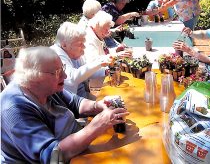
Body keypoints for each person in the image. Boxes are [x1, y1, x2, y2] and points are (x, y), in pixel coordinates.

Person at [0, 46, 129, 163]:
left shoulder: (46, 87)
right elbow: (52, 155)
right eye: (57, 72)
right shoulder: (14, 108)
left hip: (77, 149)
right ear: (34, 76)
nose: (65, 75)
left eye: (63, 69)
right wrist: (98, 125)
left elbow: (76, 103)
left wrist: (98, 106)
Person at [51, 22, 109, 99]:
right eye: (80, 44)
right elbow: (71, 79)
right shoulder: (56, 55)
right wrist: (100, 62)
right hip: (71, 104)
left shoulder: (73, 54)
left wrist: (106, 71)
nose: (84, 47)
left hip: (82, 97)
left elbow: (87, 71)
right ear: (64, 45)